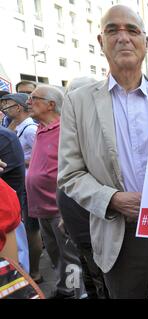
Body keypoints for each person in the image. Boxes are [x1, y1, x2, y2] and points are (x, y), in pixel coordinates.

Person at [57, 5, 148, 299]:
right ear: (101, 41)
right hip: (120, 235)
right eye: (113, 30)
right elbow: (70, 174)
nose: (123, 37)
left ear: (145, 42)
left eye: (132, 30)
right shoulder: (78, 102)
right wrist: (113, 199)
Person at [26, 85, 83, 299]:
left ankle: (76, 293)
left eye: (34, 98)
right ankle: (64, 288)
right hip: (42, 207)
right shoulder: (40, 128)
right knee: (55, 253)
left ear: (51, 104)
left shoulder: (65, 129)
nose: (29, 102)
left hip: (60, 208)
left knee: (70, 257)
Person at [55, 76, 109, 299]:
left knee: (103, 279)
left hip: (95, 223)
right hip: (74, 219)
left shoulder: (101, 129)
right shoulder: (71, 127)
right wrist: (63, 216)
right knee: (86, 274)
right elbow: (67, 174)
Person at [0, 93, 41, 282]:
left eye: (7, 104)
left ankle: (34, 273)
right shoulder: (11, 128)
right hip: (20, 187)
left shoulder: (30, 130)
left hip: (24, 186)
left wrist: (21, 162)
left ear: (18, 107)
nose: (4, 108)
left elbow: (40, 157)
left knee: (29, 230)